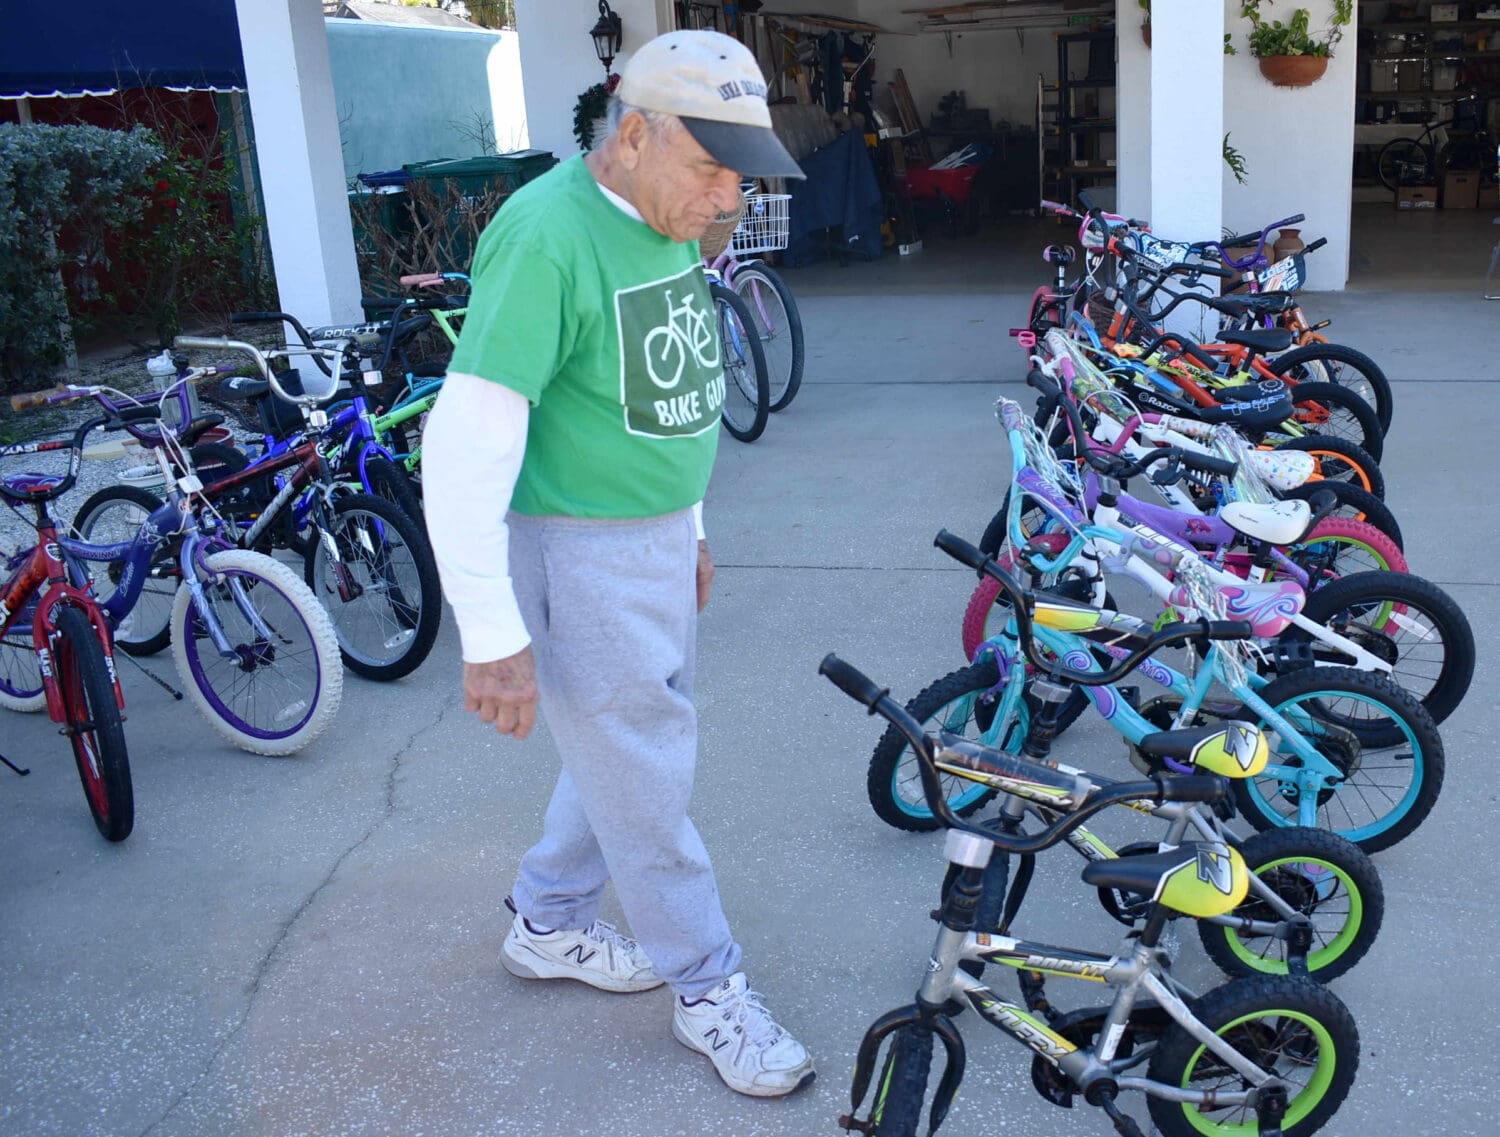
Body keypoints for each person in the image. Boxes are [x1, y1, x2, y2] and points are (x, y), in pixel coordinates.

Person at [421, 30, 813, 1098]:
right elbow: (466, 441)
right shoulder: (549, 236)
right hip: (576, 549)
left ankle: (547, 922)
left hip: (646, 542)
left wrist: (684, 528)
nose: (727, 196)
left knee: (618, 752)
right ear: (633, 134)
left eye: (743, 171)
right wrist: (492, 635)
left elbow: (659, 389)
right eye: (709, 165)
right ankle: (709, 986)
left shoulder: (670, 217)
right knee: (645, 771)